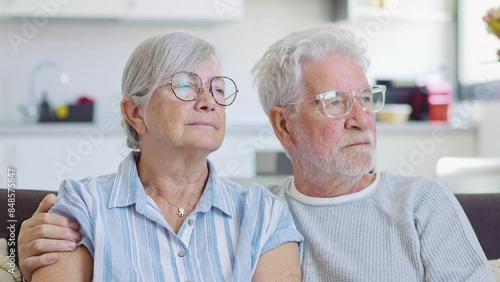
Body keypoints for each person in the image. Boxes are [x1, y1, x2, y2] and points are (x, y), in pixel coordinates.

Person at [18, 25, 495, 281]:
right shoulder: (264, 210)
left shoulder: (418, 203)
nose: (360, 119)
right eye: (334, 102)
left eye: (366, 100)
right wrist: (23, 246)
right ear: (282, 124)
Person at [19, 31, 302, 282]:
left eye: (217, 89)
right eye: (184, 86)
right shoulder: (83, 206)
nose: (208, 102)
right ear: (135, 113)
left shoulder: (264, 214)